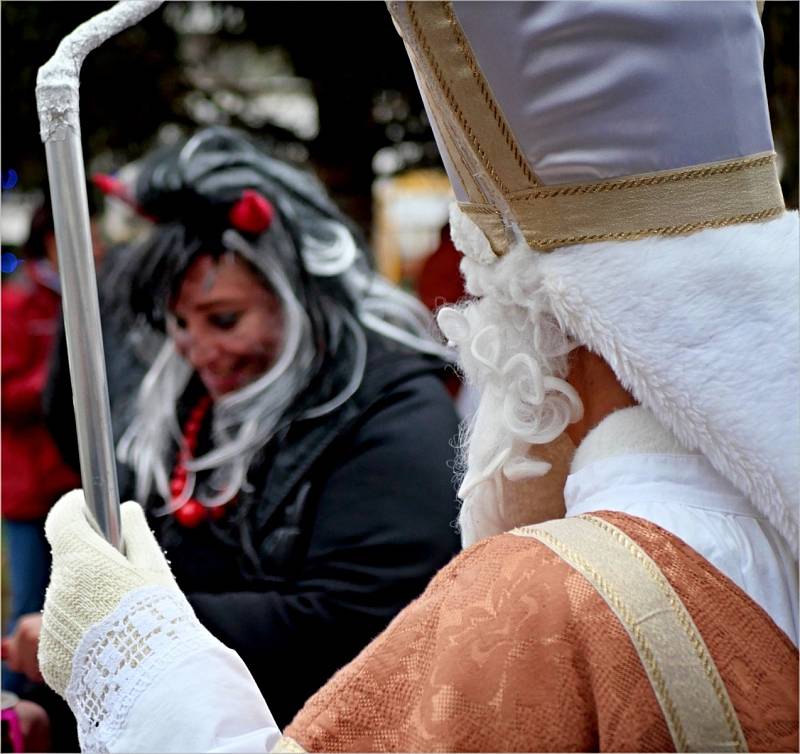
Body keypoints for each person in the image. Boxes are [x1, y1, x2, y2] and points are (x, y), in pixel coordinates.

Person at [36, 2, 798, 752]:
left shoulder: (536, 596)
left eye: (488, 291)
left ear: (539, 321)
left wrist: (137, 652)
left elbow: (346, 621)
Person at [30, 126, 463, 728]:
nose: (198, 350)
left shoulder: (395, 411)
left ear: (298, 297)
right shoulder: (191, 402)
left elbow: (359, 620)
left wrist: (113, 634)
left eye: (224, 318)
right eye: (179, 323)